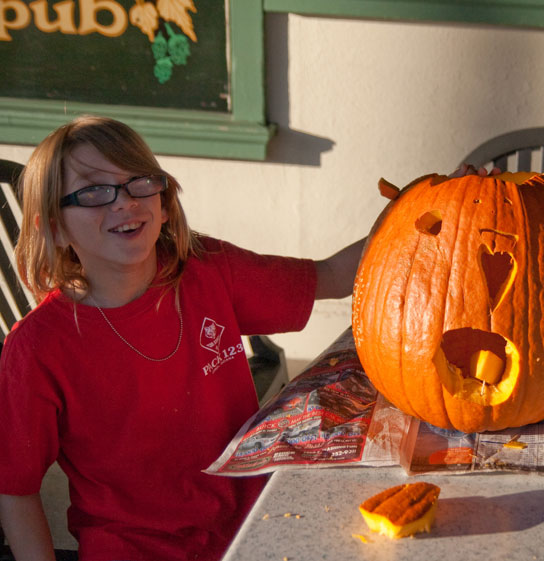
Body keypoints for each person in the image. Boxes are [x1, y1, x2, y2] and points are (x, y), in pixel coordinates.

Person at [0, 115, 366, 561]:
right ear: (53, 228)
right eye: (94, 191)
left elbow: (330, 275)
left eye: (139, 182)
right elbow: (15, 489)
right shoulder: (38, 347)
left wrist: (425, 205)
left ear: (165, 201)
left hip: (255, 521)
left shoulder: (208, 269)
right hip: (135, 547)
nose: (124, 203)